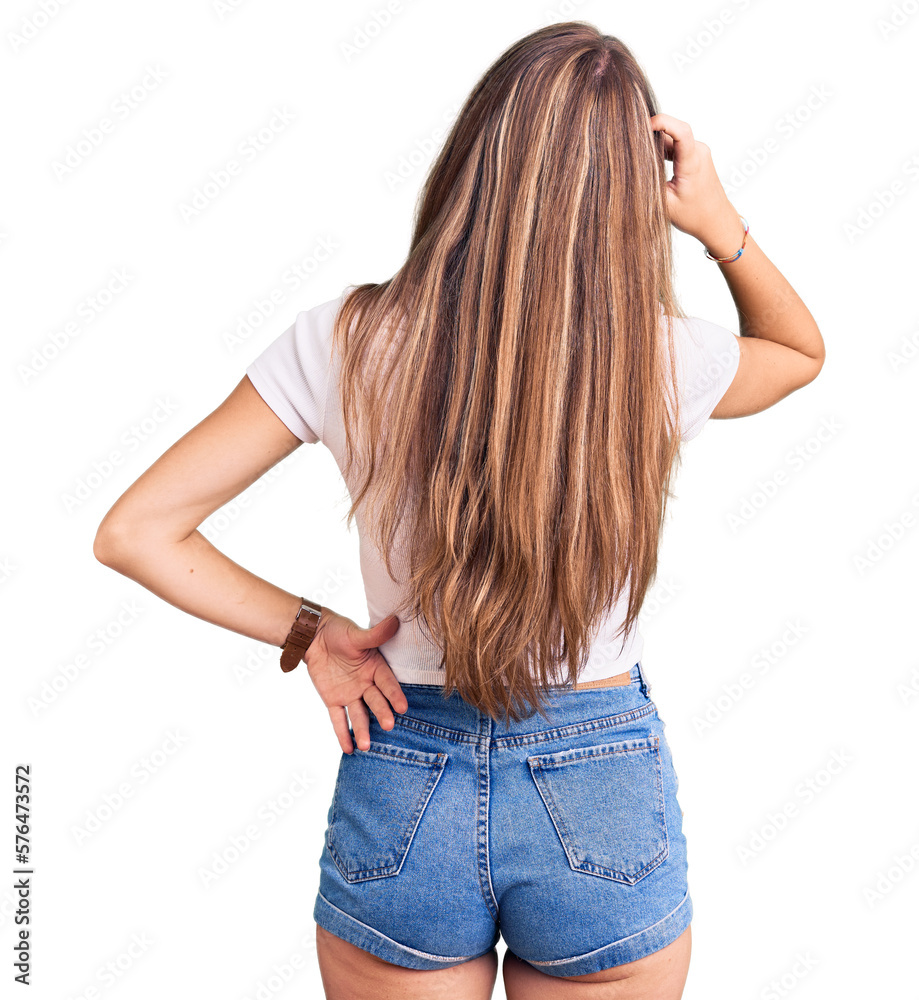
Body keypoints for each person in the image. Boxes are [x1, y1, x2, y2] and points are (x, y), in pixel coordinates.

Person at [93, 20, 825, 1000]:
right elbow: (798, 352)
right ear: (629, 190)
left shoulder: (345, 339)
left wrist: (313, 634)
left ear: (472, 157)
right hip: (599, 783)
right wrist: (718, 222)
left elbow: (136, 531)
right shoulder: (658, 357)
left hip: (406, 767)